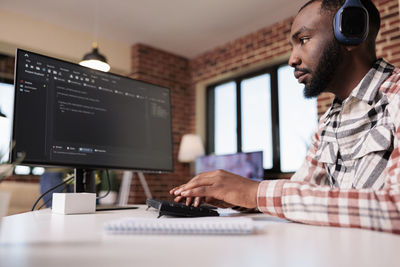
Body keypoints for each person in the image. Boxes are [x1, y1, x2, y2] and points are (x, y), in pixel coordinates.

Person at [170, 0, 400, 234]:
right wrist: (241, 199)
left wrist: (255, 193)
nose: (292, 59)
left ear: (351, 32)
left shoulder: (396, 96)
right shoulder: (329, 121)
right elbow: (303, 191)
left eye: (304, 40)